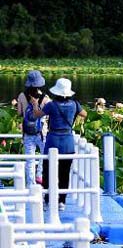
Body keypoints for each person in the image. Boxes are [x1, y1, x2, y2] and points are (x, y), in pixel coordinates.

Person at [29, 78, 86, 206]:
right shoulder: (75, 104)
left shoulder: (51, 105)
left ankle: (48, 199)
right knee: (65, 172)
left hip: (53, 140)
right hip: (67, 141)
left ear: (56, 92)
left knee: (48, 171)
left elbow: (36, 115)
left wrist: (34, 104)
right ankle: (62, 201)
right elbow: (84, 114)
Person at [15, 70, 49, 187]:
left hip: (27, 133)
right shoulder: (45, 98)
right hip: (42, 132)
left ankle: (30, 185)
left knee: (30, 160)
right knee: (45, 155)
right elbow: (47, 114)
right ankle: (39, 174)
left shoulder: (21, 96)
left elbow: (19, 113)